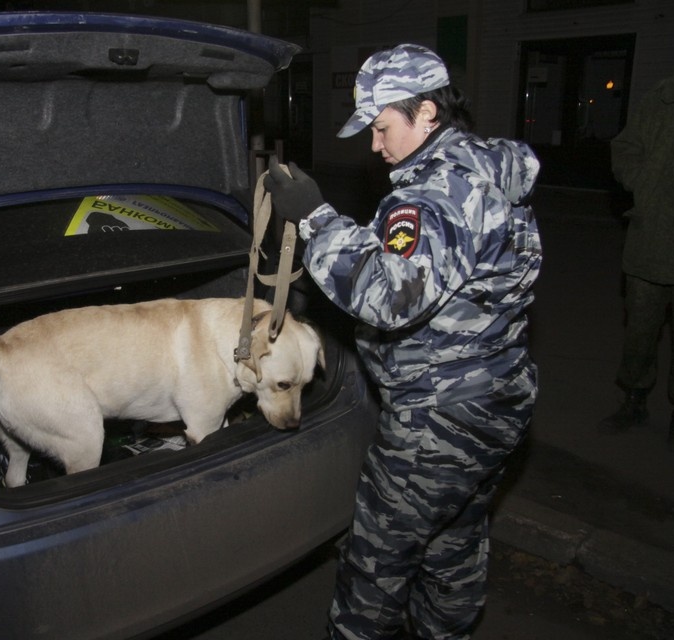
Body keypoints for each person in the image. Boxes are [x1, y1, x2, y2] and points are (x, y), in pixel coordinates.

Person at [264, 45, 541, 640]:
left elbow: (391, 296)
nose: (374, 144)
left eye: (383, 127)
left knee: (374, 566)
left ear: (428, 114)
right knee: (452, 546)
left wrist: (315, 221)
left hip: (439, 418)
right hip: (495, 401)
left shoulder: (437, 192)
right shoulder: (481, 171)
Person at [601, 20, 674, 452]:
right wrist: (641, 181)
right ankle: (634, 401)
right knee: (640, 333)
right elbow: (624, 149)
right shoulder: (661, 96)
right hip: (648, 244)